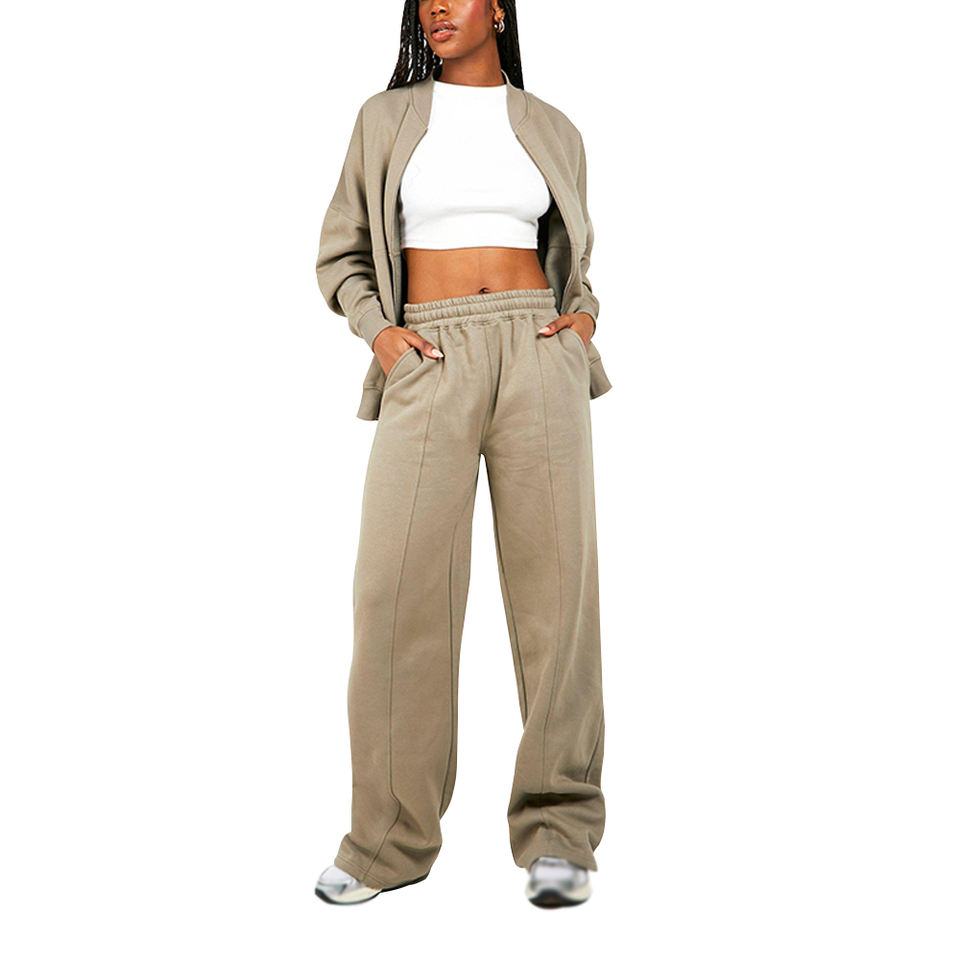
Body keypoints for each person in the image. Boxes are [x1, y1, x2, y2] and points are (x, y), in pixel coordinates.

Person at [313, 0, 612, 909]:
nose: (436, 6)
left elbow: (574, 255)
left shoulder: (551, 127)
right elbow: (341, 253)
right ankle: (388, 839)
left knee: (557, 598)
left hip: (538, 350)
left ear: (500, 10)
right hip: (427, 353)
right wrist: (381, 334)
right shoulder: (387, 118)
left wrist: (581, 322)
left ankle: (560, 834)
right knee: (395, 593)